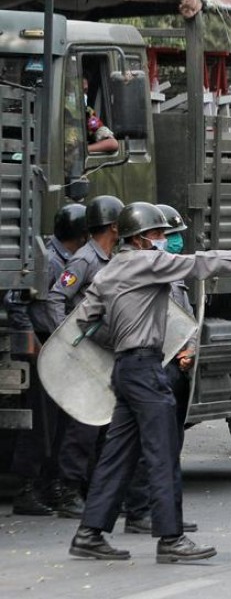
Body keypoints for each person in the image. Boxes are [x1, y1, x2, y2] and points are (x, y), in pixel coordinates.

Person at [69, 202, 231, 564]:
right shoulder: (147, 262)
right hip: (145, 368)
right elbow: (202, 262)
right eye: (158, 234)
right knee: (163, 452)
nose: (163, 241)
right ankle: (171, 539)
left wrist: (120, 340)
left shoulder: (108, 272)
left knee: (117, 455)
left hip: (124, 369)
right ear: (140, 239)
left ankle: (90, 533)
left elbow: (84, 322)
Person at [121, 204, 198, 534]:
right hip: (153, 365)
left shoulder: (173, 274)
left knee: (171, 443)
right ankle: (138, 511)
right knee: (149, 446)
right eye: (161, 235)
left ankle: (165, 515)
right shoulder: (139, 274)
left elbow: (185, 320)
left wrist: (189, 350)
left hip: (176, 366)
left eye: (171, 236)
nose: (169, 241)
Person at [45, 194, 124, 518]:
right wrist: (66, 341)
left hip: (104, 352)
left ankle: (95, 490)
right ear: (114, 227)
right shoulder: (84, 260)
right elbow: (55, 298)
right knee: (83, 427)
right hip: (84, 354)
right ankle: (68, 490)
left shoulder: (109, 259)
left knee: (105, 424)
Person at [7, 204, 88, 516]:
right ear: (82, 235)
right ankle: (25, 489)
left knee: (60, 422)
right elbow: (17, 301)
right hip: (44, 344)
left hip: (59, 345)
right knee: (41, 422)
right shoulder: (49, 260)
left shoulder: (70, 260)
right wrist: (35, 345)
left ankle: (49, 485)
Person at [83, 77, 118, 153]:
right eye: (76, 91)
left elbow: (112, 143)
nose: (83, 95)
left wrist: (82, 150)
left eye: (85, 91)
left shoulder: (88, 114)